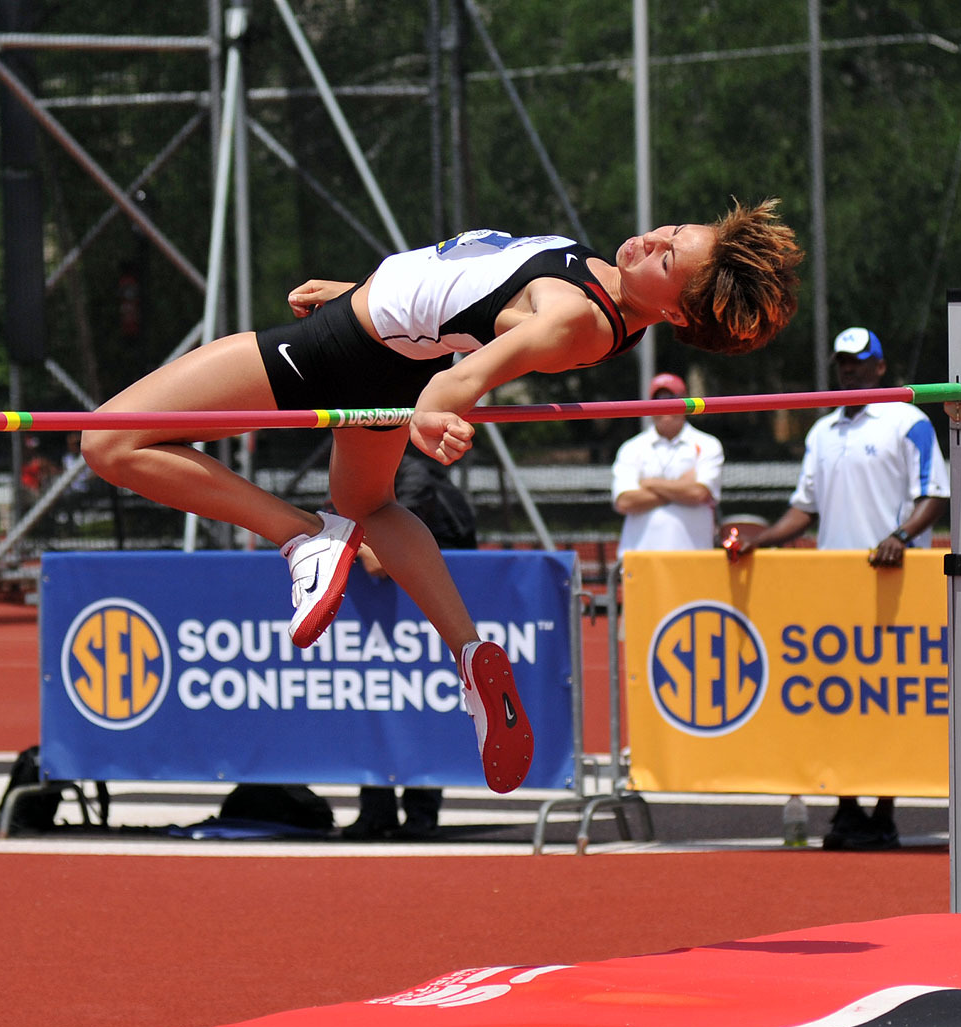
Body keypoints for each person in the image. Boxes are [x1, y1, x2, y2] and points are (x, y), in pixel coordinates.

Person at [81, 199, 803, 795]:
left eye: (666, 259)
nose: (650, 239)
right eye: (671, 230)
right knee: (370, 505)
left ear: (674, 316)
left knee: (109, 443)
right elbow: (464, 282)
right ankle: (470, 653)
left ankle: (300, 534)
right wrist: (360, 294)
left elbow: (453, 383)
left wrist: (437, 407)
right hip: (379, 345)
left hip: (345, 355)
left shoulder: (573, 321)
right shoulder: (602, 292)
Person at [730, 326, 950, 850]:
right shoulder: (822, 431)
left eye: (859, 361)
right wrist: (762, 539)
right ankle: (847, 809)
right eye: (843, 362)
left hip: (893, 579)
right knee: (839, 700)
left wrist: (900, 536)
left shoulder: (908, 420)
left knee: (887, 700)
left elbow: (935, 493)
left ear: (880, 366)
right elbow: (804, 510)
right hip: (834, 584)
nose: (849, 369)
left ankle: (885, 811)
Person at [343, 448, 479, 840]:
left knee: (424, 704)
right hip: (383, 616)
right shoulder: (356, 468)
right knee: (373, 699)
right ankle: (376, 809)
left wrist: (358, 544)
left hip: (431, 612)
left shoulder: (412, 477)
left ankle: (421, 812)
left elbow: (380, 558)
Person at [612, 372, 724, 551]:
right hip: (640, 559)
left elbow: (699, 494)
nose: (666, 405)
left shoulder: (708, 444)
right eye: (659, 399)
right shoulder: (631, 447)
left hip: (694, 558)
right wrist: (682, 486)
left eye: (672, 398)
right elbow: (625, 501)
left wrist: (649, 483)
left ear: (685, 402)